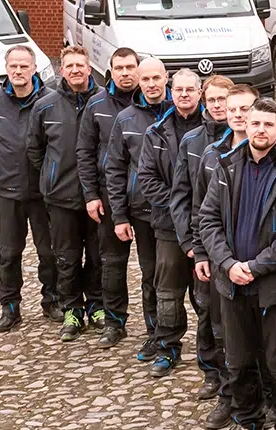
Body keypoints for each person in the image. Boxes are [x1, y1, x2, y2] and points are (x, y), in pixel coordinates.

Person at [198, 98, 276, 429]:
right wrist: (228, 263)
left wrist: (255, 266)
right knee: (238, 362)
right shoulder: (226, 165)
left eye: (267, 124)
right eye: (255, 123)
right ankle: (248, 418)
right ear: (245, 126)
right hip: (231, 286)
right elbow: (208, 220)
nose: (260, 129)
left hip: (275, 288)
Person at [171, 76, 245, 428]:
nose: (224, 109)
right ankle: (224, 388)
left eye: (233, 105)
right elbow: (195, 204)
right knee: (215, 326)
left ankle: (256, 395)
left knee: (253, 333)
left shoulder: (272, 149)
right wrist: (198, 249)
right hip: (216, 258)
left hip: (254, 262)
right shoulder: (206, 152)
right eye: (216, 102)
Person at [0, 45, 58, 333]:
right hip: (7, 191)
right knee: (9, 253)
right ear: (7, 68)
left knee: (49, 251)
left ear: (34, 68)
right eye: (14, 66)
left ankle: (52, 300)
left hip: (43, 192)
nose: (19, 71)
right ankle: (9, 306)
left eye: (24, 66)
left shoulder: (50, 101)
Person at [27, 44, 101, 341]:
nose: (75, 70)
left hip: (97, 197)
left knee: (97, 257)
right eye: (69, 66)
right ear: (62, 70)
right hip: (60, 197)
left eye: (79, 65)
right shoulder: (45, 105)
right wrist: (51, 174)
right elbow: (35, 149)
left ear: (89, 67)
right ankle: (72, 308)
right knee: (66, 258)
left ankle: (96, 304)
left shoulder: (102, 101)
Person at [136, 68, 205, 377]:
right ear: (170, 91)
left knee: (206, 296)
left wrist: (195, 210)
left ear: (200, 93)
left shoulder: (214, 130)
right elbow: (147, 180)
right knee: (167, 292)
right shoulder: (157, 132)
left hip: (206, 226)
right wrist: (179, 206)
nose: (184, 94)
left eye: (190, 89)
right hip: (166, 226)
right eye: (179, 89)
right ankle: (168, 347)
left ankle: (212, 354)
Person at [104, 57, 171, 362]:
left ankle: (202, 342)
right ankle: (156, 335)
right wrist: (119, 215)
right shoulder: (126, 119)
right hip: (143, 212)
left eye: (157, 78)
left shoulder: (181, 113)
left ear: (165, 78)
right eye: (146, 79)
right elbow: (115, 168)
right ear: (139, 82)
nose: (152, 84)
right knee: (151, 276)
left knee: (189, 281)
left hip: (180, 214)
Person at [77, 48, 141, 348]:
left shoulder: (155, 103)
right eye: (120, 68)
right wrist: (90, 194)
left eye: (130, 67)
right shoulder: (96, 105)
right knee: (112, 264)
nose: (125, 73)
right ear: (110, 71)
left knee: (155, 269)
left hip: (147, 197)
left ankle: (158, 328)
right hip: (109, 195)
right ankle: (115, 322)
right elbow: (85, 152)